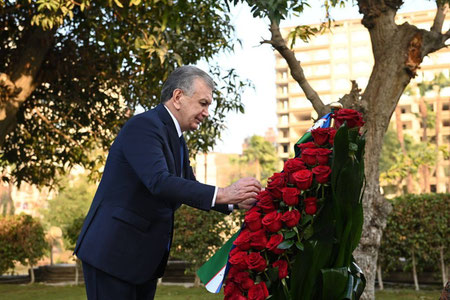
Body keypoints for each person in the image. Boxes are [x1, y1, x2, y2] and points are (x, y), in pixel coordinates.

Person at [74, 65, 261, 300]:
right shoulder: (143, 126)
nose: (206, 113)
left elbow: (187, 184)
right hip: (113, 254)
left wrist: (236, 202)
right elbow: (159, 182)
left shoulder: (177, 137)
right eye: (203, 103)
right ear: (178, 97)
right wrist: (225, 193)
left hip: (141, 260)